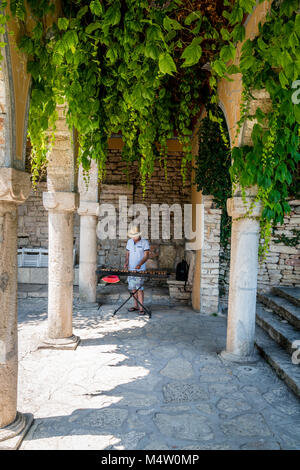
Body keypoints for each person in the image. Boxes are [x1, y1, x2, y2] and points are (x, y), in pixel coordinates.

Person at [124, 226, 150, 315]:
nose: (133, 238)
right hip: (131, 269)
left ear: (139, 235)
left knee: (139, 289)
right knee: (133, 289)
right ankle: (135, 306)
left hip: (140, 269)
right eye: (132, 236)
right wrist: (126, 262)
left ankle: (141, 308)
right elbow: (127, 253)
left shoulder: (145, 242)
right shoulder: (129, 242)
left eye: (134, 236)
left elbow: (146, 256)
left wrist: (140, 264)